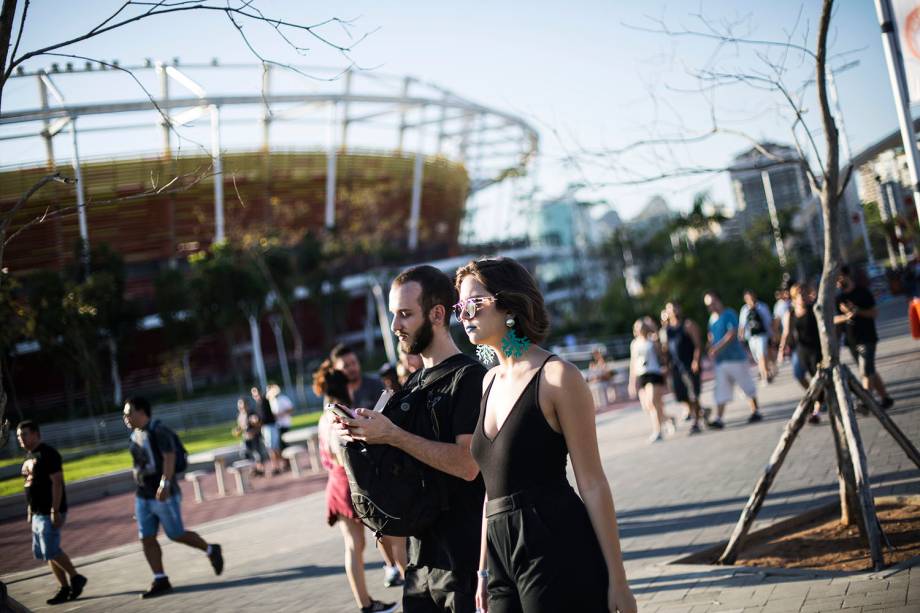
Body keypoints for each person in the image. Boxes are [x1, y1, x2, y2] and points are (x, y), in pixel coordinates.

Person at [454, 257, 636, 613]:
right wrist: (482, 570)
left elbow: (593, 481)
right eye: (461, 306)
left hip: (554, 542)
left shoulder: (557, 377)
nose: (465, 316)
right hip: (499, 554)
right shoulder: (488, 381)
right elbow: (491, 489)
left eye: (475, 303)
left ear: (509, 305)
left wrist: (619, 580)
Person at [333, 264, 486, 613]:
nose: (395, 326)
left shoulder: (469, 379)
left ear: (436, 314)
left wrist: (394, 435)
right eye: (393, 314)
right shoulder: (413, 384)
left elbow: (468, 465)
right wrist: (367, 435)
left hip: (465, 562)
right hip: (420, 563)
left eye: (405, 314)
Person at [314, 362, 400, 613]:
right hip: (350, 483)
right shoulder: (339, 415)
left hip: (334, 484)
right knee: (395, 537)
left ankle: (365, 603)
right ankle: (413, 591)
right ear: (346, 389)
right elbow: (345, 454)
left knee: (354, 546)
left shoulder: (323, 416)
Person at [123, 396, 224, 598]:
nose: (125, 417)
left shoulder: (158, 431)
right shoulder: (135, 435)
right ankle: (160, 578)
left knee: (175, 534)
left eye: (128, 412)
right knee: (147, 538)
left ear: (142, 412)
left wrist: (165, 484)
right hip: (143, 495)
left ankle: (211, 549)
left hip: (164, 494)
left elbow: (170, 457)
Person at [331, 343, 405, 588]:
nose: (352, 368)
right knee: (375, 525)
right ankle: (389, 566)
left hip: (383, 463)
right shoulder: (335, 395)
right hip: (357, 470)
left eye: (354, 363)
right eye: (346, 365)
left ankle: (407, 576)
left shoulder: (373, 385)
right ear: (336, 369)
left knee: (394, 525)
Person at [17, 421, 88, 605]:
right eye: (19, 435)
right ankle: (64, 587)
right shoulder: (29, 455)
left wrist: (54, 510)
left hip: (51, 511)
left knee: (52, 550)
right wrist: (30, 509)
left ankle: (75, 577)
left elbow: (57, 482)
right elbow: (30, 484)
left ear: (35, 434)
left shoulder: (49, 454)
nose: (21, 438)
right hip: (38, 512)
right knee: (46, 553)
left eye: (24, 434)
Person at [835, 265, 894, 409]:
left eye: (838, 277)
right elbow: (834, 319)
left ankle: (865, 401)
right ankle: (886, 398)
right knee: (870, 370)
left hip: (867, 338)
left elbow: (874, 313)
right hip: (851, 340)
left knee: (865, 371)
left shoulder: (862, 292)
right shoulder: (839, 298)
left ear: (846, 275)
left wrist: (857, 311)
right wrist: (846, 316)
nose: (836, 281)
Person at [704, 290, 762, 427]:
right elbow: (711, 335)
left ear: (718, 300)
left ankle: (756, 411)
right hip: (721, 361)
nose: (711, 307)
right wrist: (710, 345)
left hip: (735, 358)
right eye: (708, 305)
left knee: (746, 385)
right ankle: (719, 419)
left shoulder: (728, 313)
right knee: (721, 390)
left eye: (712, 303)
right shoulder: (711, 319)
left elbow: (732, 333)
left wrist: (717, 347)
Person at [778, 284, 823, 423]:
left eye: (804, 294)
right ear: (794, 298)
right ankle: (815, 396)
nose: (803, 297)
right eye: (799, 295)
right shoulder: (790, 313)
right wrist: (781, 350)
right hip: (802, 350)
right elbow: (786, 333)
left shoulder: (814, 309)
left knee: (817, 378)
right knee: (799, 375)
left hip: (816, 349)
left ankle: (817, 411)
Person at [628, 318, 675, 443]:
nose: (641, 329)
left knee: (653, 402)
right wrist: (632, 382)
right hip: (641, 374)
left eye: (643, 326)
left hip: (654, 373)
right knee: (648, 406)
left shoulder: (652, 341)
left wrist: (665, 369)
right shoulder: (634, 344)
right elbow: (633, 363)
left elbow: (662, 356)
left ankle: (657, 431)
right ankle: (669, 419)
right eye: (638, 327)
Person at [663, 302, 706, 434]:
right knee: (680, 395)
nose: (674, 310)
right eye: (670, 308)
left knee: (694, 394)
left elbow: (698, 345)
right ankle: (701, 411)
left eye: (675, 307)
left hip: (689, 365)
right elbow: (664, 350)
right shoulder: (667, 330)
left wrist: (696, 361)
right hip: (675, 367)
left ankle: (696, 422)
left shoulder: (688, 325)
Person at [738, 290, 774, 384]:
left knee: (761, 355)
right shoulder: (744, 310)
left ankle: (764, 375)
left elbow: (768, 321)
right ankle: (766, 370)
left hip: (762, 335)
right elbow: (742, 325)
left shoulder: (762, 307)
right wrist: (740, 336)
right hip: (751, 337)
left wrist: (772, 334)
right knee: (757, 357)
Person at [252, 386, 282, 475]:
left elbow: (264, 417)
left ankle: (277, 466)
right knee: (272, 448)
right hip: (266, 428)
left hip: (270, 427)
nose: (255, 395)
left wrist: (257, 421)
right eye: (254, 393)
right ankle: (277, 466)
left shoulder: (264, 401)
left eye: (256, 392)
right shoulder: (259, 403)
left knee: (272, 448)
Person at [232, 398, 266, 475]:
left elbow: (259, 424)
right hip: (246, 438)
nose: (241, 406)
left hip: (255, 437)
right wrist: (237, 431)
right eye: (239, 404)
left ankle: (261, 470)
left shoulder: (252, 413)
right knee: (244, 454)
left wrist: (255, 427)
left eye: (242, 404)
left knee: (258, 454)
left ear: (246, 405)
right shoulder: (240, 415)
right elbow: (241, 427)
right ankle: (253, 469)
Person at [266, 383, 294, 450]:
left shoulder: (283, 398)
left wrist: (281, 414)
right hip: (276, 425)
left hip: (284, 424)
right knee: (278, 445)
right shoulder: (271, 401)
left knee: (284, 443)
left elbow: (290, 409)